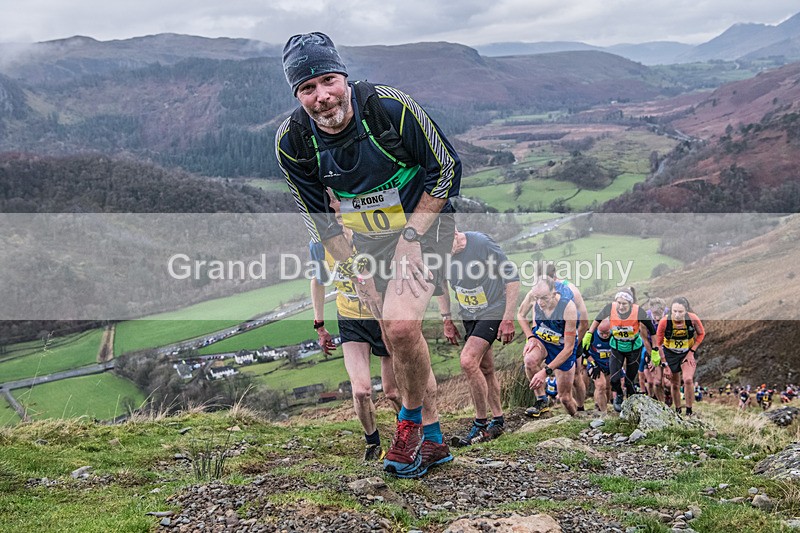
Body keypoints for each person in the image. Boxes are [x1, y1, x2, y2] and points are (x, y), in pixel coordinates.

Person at [276, 32, 461, 478]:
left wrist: (411, 239)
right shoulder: (293, 141)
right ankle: (434, 441)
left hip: (426, 222)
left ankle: (409, 425)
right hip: (365, 245)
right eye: (307, 88)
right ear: (298, 95)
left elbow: (446, 169)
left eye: (328, 81)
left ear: (343, 76)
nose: (322, 97)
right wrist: (356, 269)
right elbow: (319, 220)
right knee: (400, 335)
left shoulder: (388, 108)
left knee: (399, 325)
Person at [437, 229, 520, 446]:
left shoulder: (481, 243)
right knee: (486, 368)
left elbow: (512, 277)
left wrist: (508, 317)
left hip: (493, 309)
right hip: (469, 313)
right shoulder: (438, 251)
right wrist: (446, 319)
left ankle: (480, 425)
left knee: (467, 361)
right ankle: (498, 419)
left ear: (455, 233)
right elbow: (441, 286)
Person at [584, 288, 655, 412]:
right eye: (619, 303)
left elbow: (652, 331)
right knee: (614, 379)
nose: (621, 307)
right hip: (617, 347)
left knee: (629, 380)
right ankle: (619, 395)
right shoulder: (610, 308)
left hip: (634, 349)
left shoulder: (639, 312)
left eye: (624, 304)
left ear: (630, 304)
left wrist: (654, 350)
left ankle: (632, 402)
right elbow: (597, 319)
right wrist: (590, 333)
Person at [517, 277, 579, 417]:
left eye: (544, 298)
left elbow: (568, 349)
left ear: (553, 292)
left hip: (562, 348)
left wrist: (545, 372)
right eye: (537, 298)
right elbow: (520, 315)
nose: (540, 302)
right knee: (529, 361)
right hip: (542, 340)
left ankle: (576, 418)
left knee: (565, 398)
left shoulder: (568, 307)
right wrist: (531, 337)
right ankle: (542, 400)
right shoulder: (533, 296)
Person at [655, 296, 705, 416]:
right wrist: (665, 364)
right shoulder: (664, 322)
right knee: (675, 383)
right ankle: (677, 410)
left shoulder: (692, 319)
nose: (677, 315)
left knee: (688, 380)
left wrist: (691, 352)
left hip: (686, 352)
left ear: (686, 311)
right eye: (674, 311)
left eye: (680, 312)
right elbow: (658, 343)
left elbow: (701, 333)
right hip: (669, 354)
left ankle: (689, 410)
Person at [584, 318, 613, 413]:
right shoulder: (591, 335)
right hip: (595, 363)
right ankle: (603, 412)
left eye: (607, 333)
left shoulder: (615, 335)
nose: (605, 335)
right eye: (602, 333)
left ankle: (600, 404)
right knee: (600, 385)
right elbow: (583, 351)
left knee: (608, 387)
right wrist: (593, 363)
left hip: (610, 364)